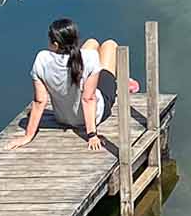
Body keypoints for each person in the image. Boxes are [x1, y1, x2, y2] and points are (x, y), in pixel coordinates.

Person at [12, 17, 131, 151]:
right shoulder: (90, 58)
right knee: (110, 45)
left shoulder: (41, 59)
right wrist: (92, 134)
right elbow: (88, 99)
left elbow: (40, 101)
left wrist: (28, 136)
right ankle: (120, 79)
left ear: (55, 45)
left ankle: (109, 76)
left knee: (92, 42)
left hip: (63, 118)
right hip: (97, 111)